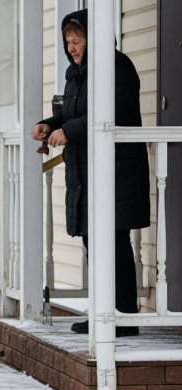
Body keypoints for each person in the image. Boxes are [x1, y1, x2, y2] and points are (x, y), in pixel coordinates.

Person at [31, 9, 148, 337]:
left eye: (77, 40)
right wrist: (50, 124)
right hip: (86, 170)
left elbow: (114, 110)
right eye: (68, 41)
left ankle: (123, 317)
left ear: (93, 38)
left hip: (116, 168)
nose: (71, 47)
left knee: (114, 240)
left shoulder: (117, 66)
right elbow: (73, 112)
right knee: (92, 242)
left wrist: (69, 131)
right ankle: (102, 311)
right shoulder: (75, 74)